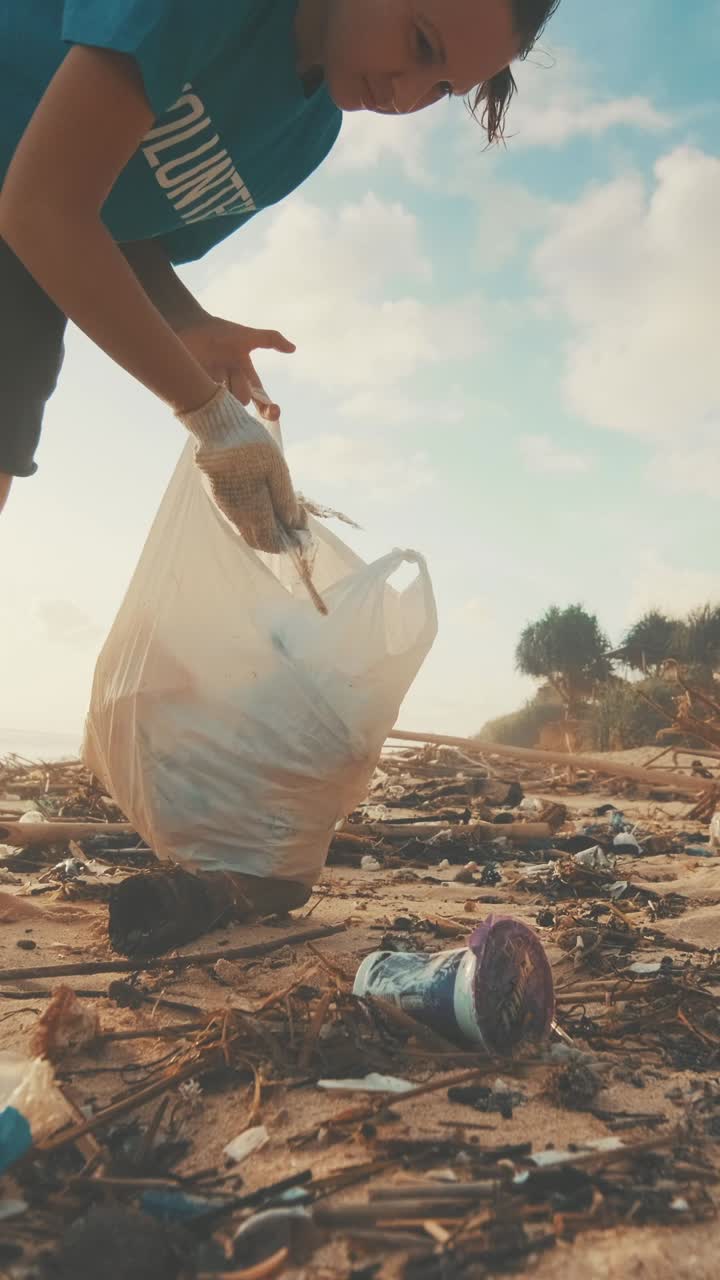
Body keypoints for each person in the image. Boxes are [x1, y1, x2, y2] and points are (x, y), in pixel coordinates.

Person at [0, 0, 560, 952]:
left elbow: (113, 214)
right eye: (419, 46)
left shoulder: (303, 131)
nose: (406, 92)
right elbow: (45, 200)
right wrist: (207, 415)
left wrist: (188, 324)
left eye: (441, 87)